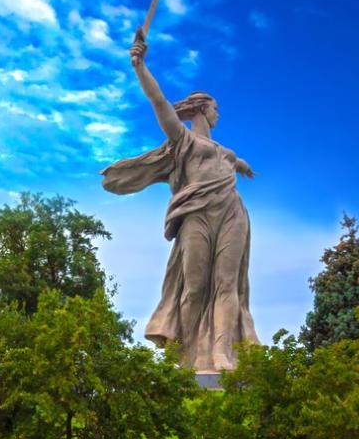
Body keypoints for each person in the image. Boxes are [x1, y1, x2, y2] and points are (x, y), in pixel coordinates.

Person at [101, 34, 258, 372]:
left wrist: (241, 166)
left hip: (231, 212)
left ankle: (221, 354)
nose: (218, 114)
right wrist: (141, 67)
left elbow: (233, 159)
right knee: (196, 286)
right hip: (196, 216)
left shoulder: (224, 151)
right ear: (203, 108)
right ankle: (185, 354)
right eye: (215, 108)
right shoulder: (183, 140)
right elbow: (159, 103)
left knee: (228, 284)